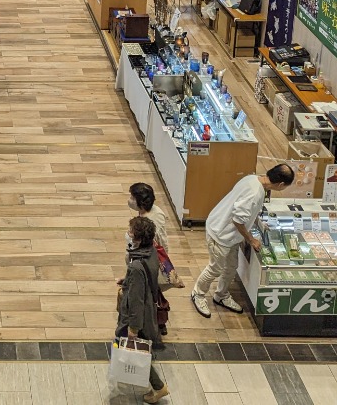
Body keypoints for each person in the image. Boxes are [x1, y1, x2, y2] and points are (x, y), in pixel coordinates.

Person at [191, 163, 295, 319]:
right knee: (215, 268)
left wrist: (255, 221)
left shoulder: (252, 178)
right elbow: (238, 220)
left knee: (231, 266)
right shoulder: (255, 193)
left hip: (229, 234)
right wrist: (251, 239)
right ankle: (197, 294)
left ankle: (221, 295)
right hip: (221, 234)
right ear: (280, 184)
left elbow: (243, 210)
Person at [115, 216, 168, 404]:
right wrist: (127, 279)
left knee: (133, 348)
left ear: (136, 238)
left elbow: (136, 300)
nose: (128, 234)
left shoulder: (137, 266)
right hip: (148, 309)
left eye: (130, 232)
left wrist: (133, 328)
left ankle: (159, 387)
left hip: (137, 315)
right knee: (142, 348)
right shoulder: (150, 251)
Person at [129, 182, 183, 290]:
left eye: (132, 198)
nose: (129, 200)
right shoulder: (150, 211)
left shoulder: (149, 221)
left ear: (141, 202)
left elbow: (160, 242)